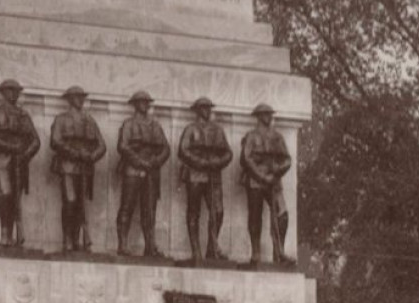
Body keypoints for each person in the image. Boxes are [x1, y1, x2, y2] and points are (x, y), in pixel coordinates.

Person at [0, 79, 40, 247]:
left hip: (20, 160)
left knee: (16, 198)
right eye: (10, 90)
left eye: (16, 91)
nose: (14, 94)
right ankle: (5, 234)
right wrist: (9, 147)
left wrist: (25, 154)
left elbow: (35, 141)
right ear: (3, 92)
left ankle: (15, 234)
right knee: (6, 195)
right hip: (1, 159)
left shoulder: (23, 115)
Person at [49, 86, 106, 252]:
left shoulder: (90, 120)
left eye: (82, 97)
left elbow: (102, 146)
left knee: (81, 204)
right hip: (67, 165)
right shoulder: (61, 119)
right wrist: (74, 153)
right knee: (70, 201)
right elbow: (55, 141)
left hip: (84, 167)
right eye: (76, 97)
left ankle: (75, 240)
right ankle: (67, 238)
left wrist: (91, 156)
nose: (80, 100)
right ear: (69, 99)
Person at [114, 91, 170, 257]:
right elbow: (123, 146)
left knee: (150, 209)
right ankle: (122, 244)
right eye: (142, 102)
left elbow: (166, 148)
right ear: (135, 104)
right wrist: (139, 161)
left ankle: (150, 245)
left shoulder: (155, 125)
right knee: (127, 207)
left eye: (147, 102)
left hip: (152, 170)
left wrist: (155, 162)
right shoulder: (129, 124)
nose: (145, 104)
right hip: (133, 169)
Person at [177, 96, 232, 263]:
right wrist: (200, 162)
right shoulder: (190, 129)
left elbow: (228, 153)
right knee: (194, 212)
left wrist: (217, 162)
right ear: (197, 110)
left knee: (218, 211)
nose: (207, 110)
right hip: (195, 174)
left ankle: (211, 248)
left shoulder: (218, 130)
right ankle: (196, 251)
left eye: (209, 107)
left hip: (214, 174)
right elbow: (183, 151)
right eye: (203, 107)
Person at [239, 103, 293, 266]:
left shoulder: (277, 137)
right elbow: (245, 159)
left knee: (282, 214)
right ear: (258, 116)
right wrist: (262, 176)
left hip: (274, 181)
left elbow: (287, 159)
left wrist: (277, 170)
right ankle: (256, 252)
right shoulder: (251, 136)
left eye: (269, 114)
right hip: (256, 180)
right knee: (255, 216)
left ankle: (279, 251)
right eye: (264, 114)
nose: (268, 117)